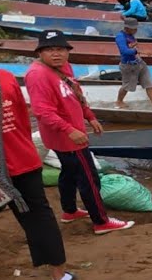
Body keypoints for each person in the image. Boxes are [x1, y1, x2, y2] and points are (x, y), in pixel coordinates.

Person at [0, 28, 76, 280]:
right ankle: (59, 276)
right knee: (39, 215)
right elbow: (23, 119)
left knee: (22, 211)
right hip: (22, 158)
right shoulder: (3, 76)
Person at [24, 31, 133, 235]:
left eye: (60, 49)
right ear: (39, 52)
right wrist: (70, 130)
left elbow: (76, 93)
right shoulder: (37, 74)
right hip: (66, 137)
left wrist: (90, 116)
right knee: (90, 179)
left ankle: (70, 210)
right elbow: (42, 111)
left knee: (68, 172)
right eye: (49, 50)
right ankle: (101, 222)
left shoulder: (63, 68)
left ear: (67, 51)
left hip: (70, 133)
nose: (56, 54)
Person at [114, 17, 152, 110]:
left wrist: (138, 51)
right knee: (127, 86)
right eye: (134, 28)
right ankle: (119, 101)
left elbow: (133, 48)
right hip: (128, 65)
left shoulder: (131, 35)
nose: (136, 30)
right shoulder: (120, 37)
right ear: (127, 28)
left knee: (148, 82)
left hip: (139, 62)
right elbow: (124, 51)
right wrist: (137, 51)